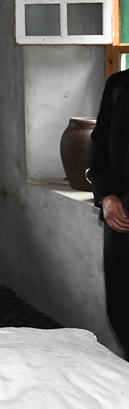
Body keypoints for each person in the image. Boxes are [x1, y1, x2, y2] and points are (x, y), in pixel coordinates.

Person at [88, 67, 129, 357]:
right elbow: (99, 144)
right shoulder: (119, 85)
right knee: (121, 306)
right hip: (119, 218)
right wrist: (106, 196)